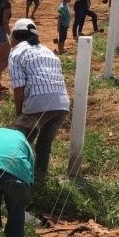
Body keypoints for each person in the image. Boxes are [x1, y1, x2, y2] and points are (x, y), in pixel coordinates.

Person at [9, 19, 71, 180]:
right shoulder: (47, 51)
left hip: (40, 100)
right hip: (62, 102)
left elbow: (19, 87)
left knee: (16, 140)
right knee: (44, 144)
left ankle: (15, 178)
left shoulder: (17, 53)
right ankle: (40, 176)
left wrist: (19, 113)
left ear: (15, 36)